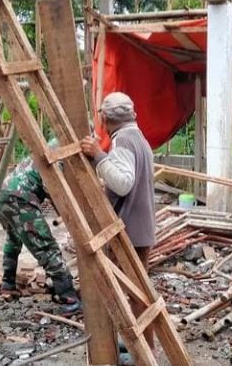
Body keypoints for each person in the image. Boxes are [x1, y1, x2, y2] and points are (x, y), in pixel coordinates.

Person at [80, 92, 156, 361]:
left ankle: (142, 356)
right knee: (139, 296)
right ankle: (143, 350)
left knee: (133, 298)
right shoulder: (138, 138)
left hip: (129, 230)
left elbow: (123, 182)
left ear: (106, 119)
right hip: (141, 227)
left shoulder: (123, 139)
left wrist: (100, 157)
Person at [0, 139, 81, 314]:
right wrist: (67, 215)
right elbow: (53, 189)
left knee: (13, 240)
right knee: (47, 247)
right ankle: (68, 297)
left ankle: (8, 284)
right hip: (21, 199)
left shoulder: (50, 145)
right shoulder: (61, 152)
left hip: (5, 195)